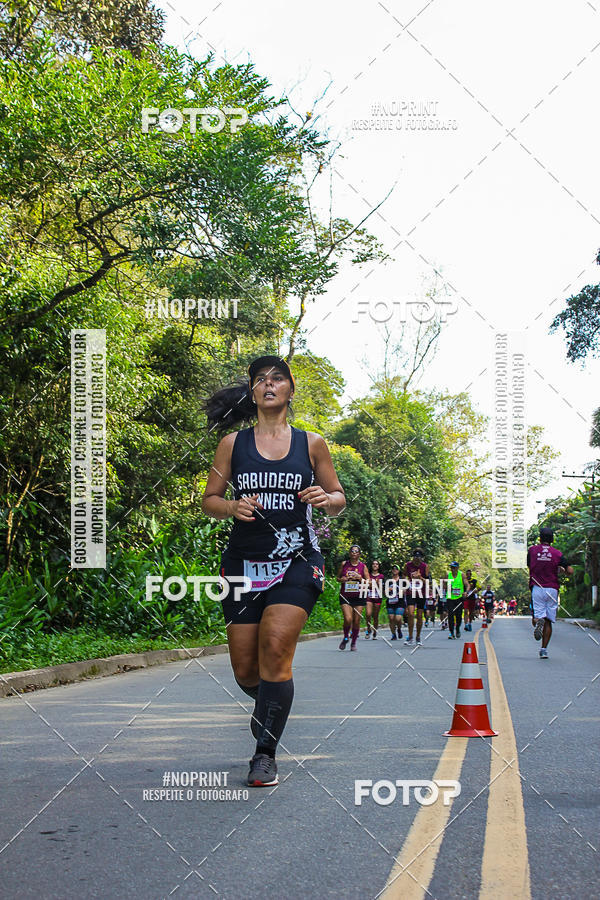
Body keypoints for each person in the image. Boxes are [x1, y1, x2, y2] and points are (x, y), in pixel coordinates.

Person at [202, 355, 346, 786]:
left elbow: (339, 497)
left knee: (276, 644)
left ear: (289, 389)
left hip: (297, 563)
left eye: (277, 379)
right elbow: (209, 500)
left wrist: (326, 498)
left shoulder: (312, 443)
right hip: (243, 566)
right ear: (252, 391)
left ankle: (265, 752)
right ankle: (269, 706)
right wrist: (231, 505)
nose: (269, 385)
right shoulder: (231, 444)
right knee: (247, 671)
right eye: (260, 379)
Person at [527, 527, 573, 659]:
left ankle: (538, 621)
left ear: (540, 538)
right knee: (549, 621)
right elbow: (570, 571)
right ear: (552, 539)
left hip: (537, 587)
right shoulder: (557, 554)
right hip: (552, 589)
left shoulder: (532, 550)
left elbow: (530, 566)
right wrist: (561, 570)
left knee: (537, 617)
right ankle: (543, 649)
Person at [337, 545, 370, 651]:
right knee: (348, 619)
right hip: (345, 596)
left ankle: (354, 642)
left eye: (356, 551)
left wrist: (360, 578)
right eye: (352, 551)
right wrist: (343, 579)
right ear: (349, 553)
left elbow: (369, 582)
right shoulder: (344, 564)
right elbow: (338, 578)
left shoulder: (363, 566)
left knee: (356, 620)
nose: (354, 553)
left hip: (359, 596)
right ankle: (346, 637)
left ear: (359, 554)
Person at [404, 548, 430, 646]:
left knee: (419, 615)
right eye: (415, 557)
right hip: (410, 592)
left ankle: (418, 637)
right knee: (410, 613)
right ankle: (410, 636)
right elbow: (404, 576)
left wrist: (420, 578)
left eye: (419, 557)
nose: (417, 559)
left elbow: (428, 582)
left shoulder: (425, 566)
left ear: (422, 558)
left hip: (421, 593)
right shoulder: (408, 565)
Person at [446, 561, 469, 639]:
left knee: (459, 615)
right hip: (450, 598)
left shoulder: (461, 575)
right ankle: (451, 632)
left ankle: (457, 629)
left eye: (454, 567)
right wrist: (448, 588)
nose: (452, 569)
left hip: (459, 598)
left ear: (457, 568)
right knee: (450, 615)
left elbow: (467, 585)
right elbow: (443, 585)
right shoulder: (447, 575)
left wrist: (466, 592)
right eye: (451, 567)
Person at [365, 559, 384, 639]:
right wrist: (374, 584)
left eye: (376, 564)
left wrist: (373, 584)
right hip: (369, 596)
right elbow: (367, 585)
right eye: (373, 564)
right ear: (371, 566)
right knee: (368, 614)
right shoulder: (368, 575)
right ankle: (369, 629)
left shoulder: (381, 576)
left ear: (379, 566)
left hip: (377, 597)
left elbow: (381, 587)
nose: (375, 565)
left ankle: (375, 632)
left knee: (375, 616)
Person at [385, 565, 405, 640]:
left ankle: (399, 629)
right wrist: (388, 590)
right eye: (393, 569)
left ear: (399, 571)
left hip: (400, 601)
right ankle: (393, 634)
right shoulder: (388, 581)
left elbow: (405, 590)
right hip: (390, 601)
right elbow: (384, 591)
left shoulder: (402, 580)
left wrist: (399, 591)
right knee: (391, 618)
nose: (394, 570)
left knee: (397, 618)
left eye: (396, 569)